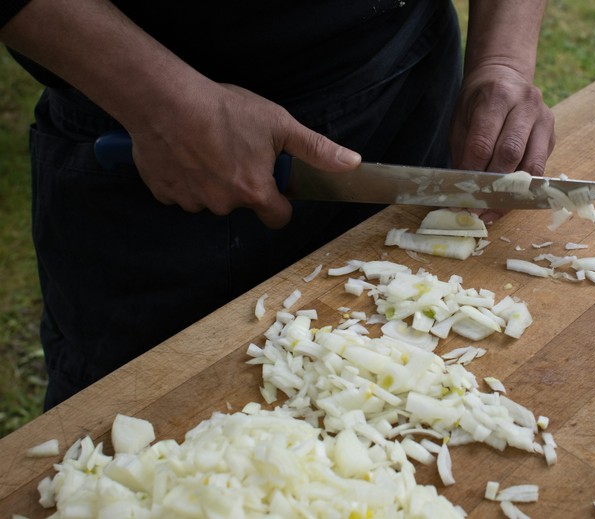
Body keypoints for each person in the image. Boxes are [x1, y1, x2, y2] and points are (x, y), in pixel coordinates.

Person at [0, 0, 555, 409]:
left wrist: (502, 61)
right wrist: (156, 100)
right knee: (137, 417)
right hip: (154, 134)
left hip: (403, 90)